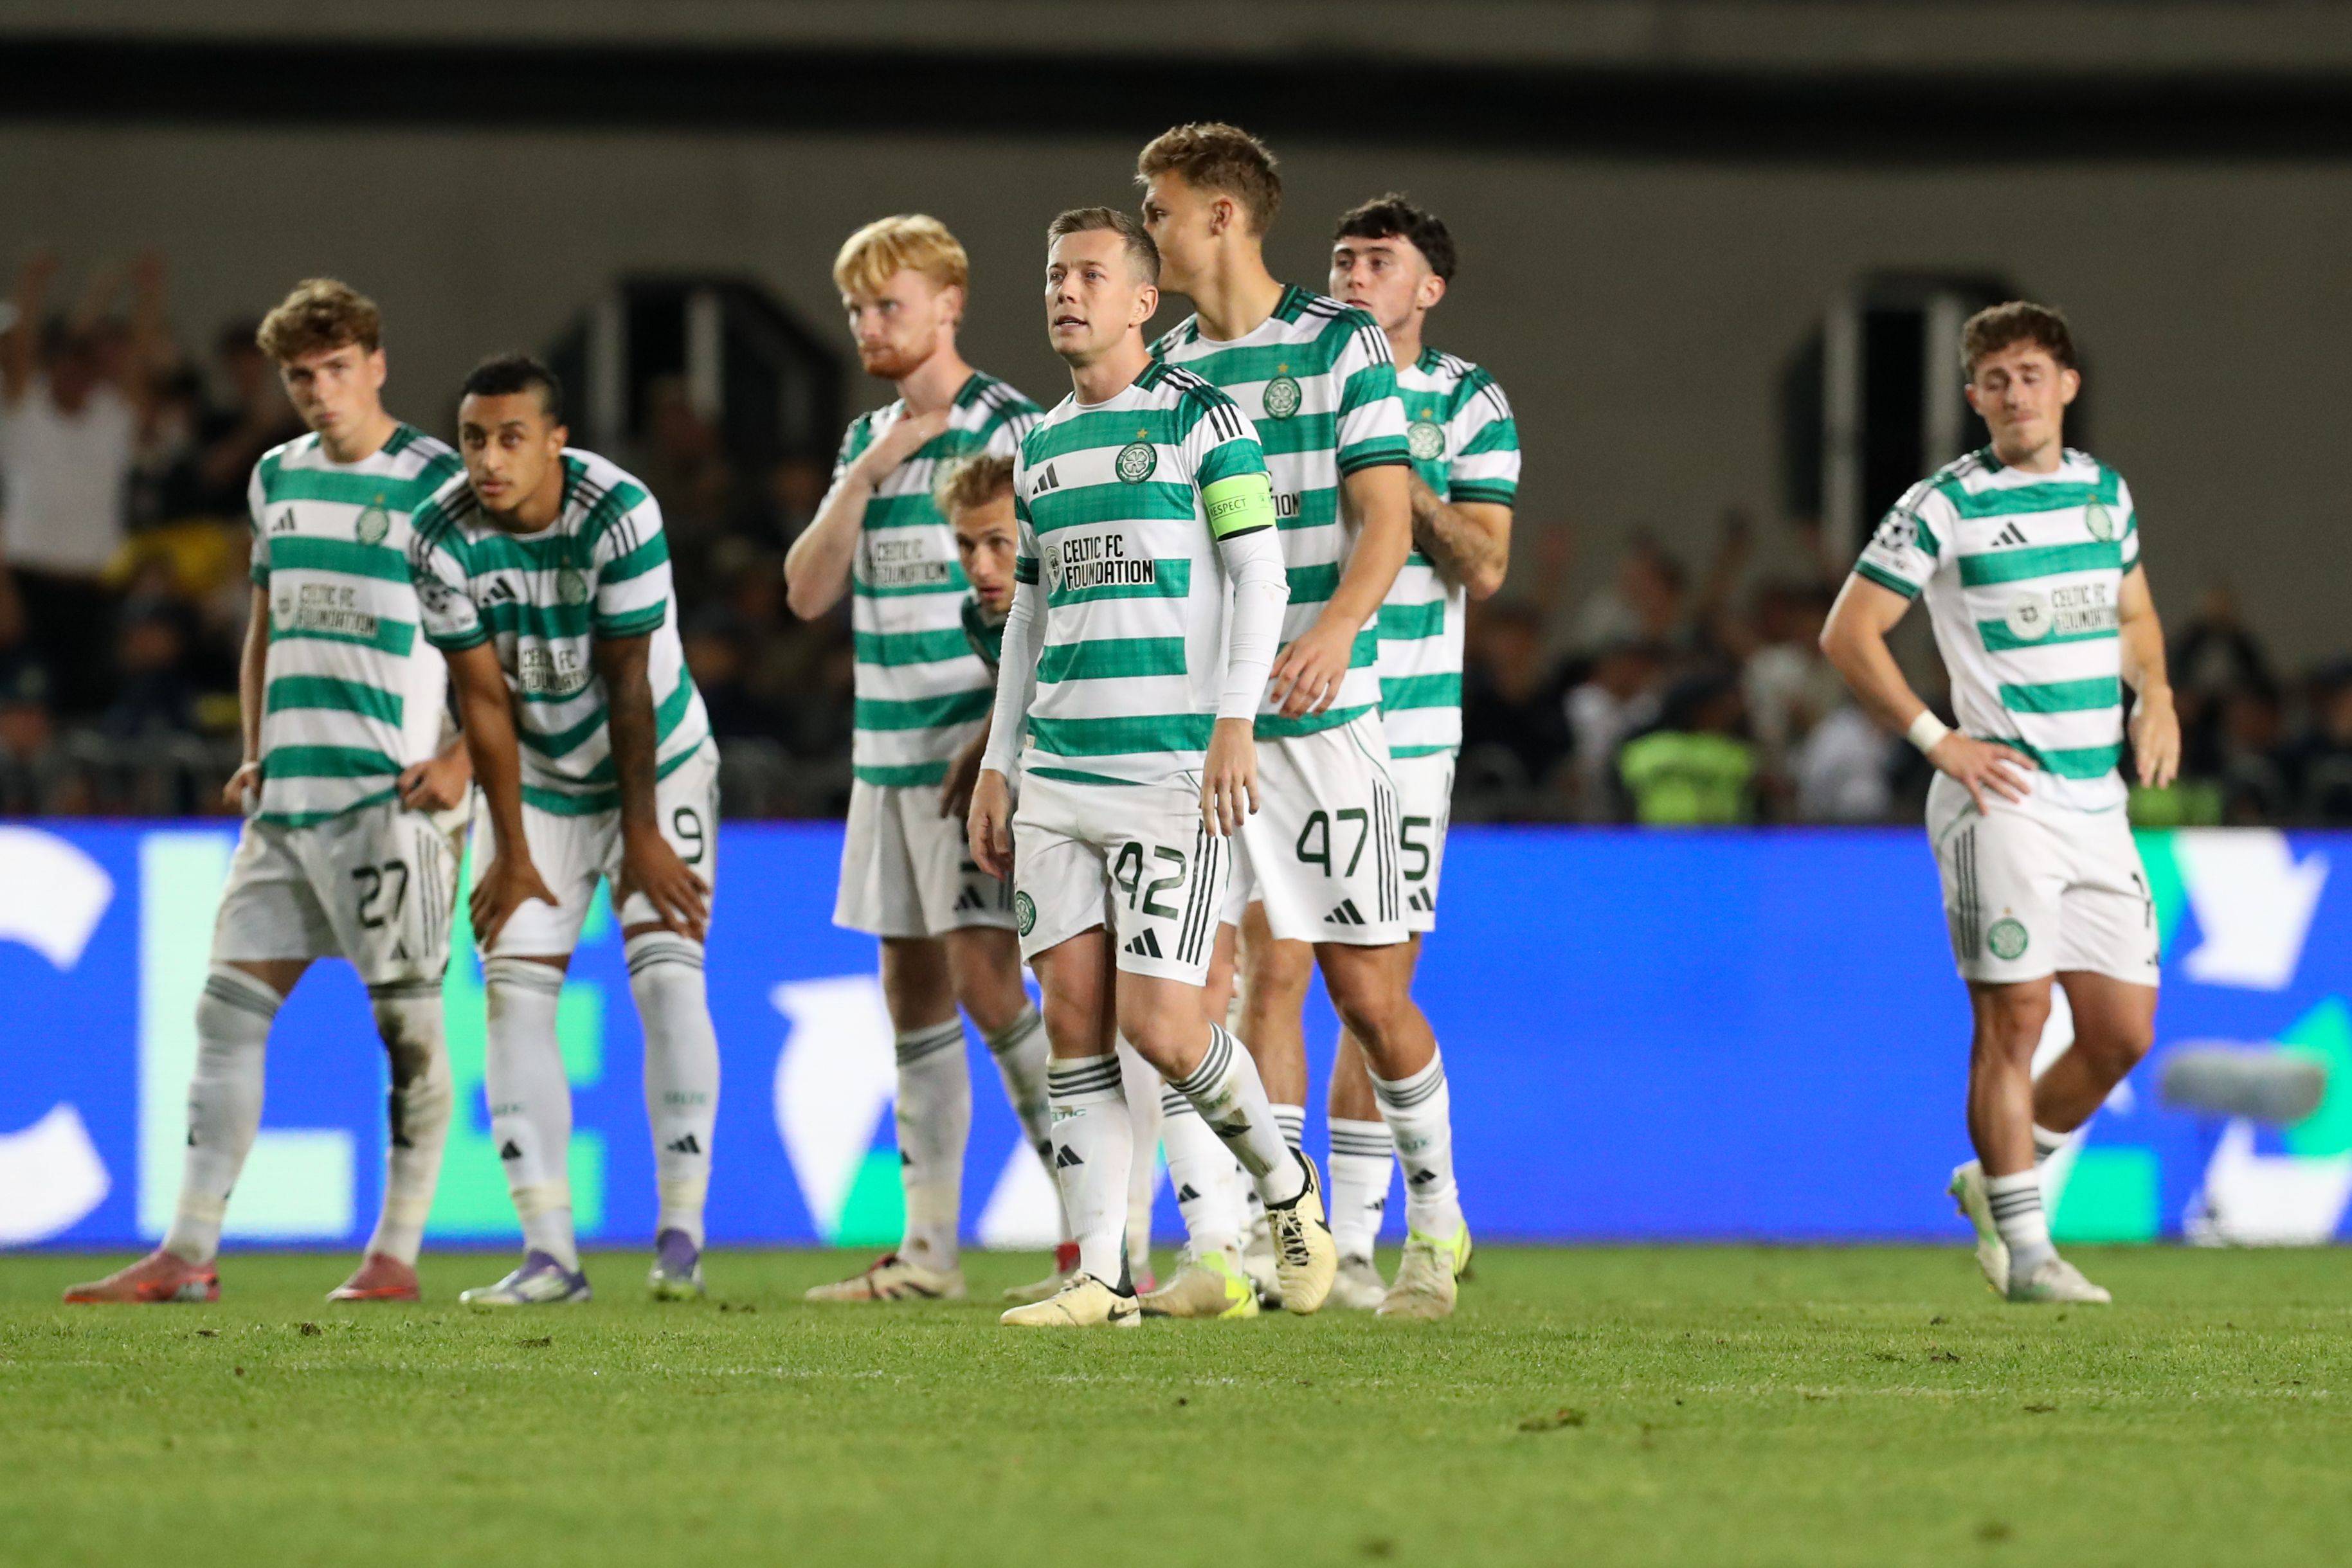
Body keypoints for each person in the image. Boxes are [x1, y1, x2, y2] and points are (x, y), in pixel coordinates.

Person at [64, 278, 471, 1306]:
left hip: (394, 799)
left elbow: (494, 634)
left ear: (376, 364)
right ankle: (189, 1251)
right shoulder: (276, 478)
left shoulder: (439, 481)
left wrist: (464, 756)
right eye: (301, 376)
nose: (320, 392)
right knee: (226, 1014)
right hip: (288, 798)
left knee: (408, 1026)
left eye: (338, 369)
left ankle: (394, 1253)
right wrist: (254, 747)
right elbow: (265, 626)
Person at [968, 206, 1332, 1326]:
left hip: (1171, 770)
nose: (1063, 291)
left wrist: (1236, 722)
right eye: (1051, 273)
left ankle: (1285, 1188)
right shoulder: (1035, 442)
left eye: (1087, 273)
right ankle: (1099, 1273)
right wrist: (998, 758)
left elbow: (1260, 578)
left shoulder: (1202, 420)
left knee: (1165, 1027)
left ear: (1142, 299)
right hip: (1058, 775)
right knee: (1070, 1014)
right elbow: (1028, 615)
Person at [1139, 124, 1470, 1320]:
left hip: (1331, 721)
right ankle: (1241, 1244)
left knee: (1366, 993)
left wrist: (1333, 627)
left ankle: (1434, 1223)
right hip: (1207, 729)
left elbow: (1384, 516)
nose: (1147, 228)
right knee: (1214, 983)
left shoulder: (1339, 345)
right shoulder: (1165, 372)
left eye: (1159, 206)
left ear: (1223, 215)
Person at [1819, 302, 2177, 1305]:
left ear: (2065, 386)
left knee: (2119, 1033)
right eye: (1995, 380)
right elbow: (1850, 632)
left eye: (2031, 374)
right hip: (2001, 795)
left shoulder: (2104, 495)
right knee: (2014, 1016)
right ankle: (2026, 1249)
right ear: (1973, 398)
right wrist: (1940, 741)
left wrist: (2155, 697)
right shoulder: (1943, 504)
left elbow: (2134, 612)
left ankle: (1994, 1180)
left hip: (2093, 799)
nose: (2014, 394)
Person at [408, 355, 722, 1306]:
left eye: (511, 438)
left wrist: (643, 835)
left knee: (666, 975)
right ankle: (551, 1253)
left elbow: (627, 684)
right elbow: (482, 701)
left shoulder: (619, 507)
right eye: (472, 438)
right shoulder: (438, 534)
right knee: (511, 995)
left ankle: (680, 1232)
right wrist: (502, 841)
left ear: (557, 439)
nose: (488, 459)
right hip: (535, 776)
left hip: (656, 757)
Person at [784, 217, 1051, 1303]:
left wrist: (1001, 737)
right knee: (910, 993)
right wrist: (870, 471)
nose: (867, 324)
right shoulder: (866, 441)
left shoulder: (1017, 428)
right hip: (882, 758)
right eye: (856, 308)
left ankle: (1093, 1221)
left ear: (950, 304)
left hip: (966, 749)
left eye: (887, 304)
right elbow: (804, 592)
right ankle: (930, 1252)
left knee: (989, 981)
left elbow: (1055, 593)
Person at [1319, 194, 1517, 1307]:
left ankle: (1379, 1236)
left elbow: (1483, 566)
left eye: (1376, 261)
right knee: (1257, 973)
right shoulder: (1289, 378)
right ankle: (1284, 1241)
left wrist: (1402, 482)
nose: (1351, 274)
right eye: (1341, 257)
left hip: (1404, 722)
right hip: (1287, 717)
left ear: (1425, 288)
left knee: (1369, 982)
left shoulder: (1466, 399)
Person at [939, 453, 1164, 1303]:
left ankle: (1218, 1233)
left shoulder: (1085, 582)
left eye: (999, 543)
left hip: (1150, 799)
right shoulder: (980, 614)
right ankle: (1104, 1247)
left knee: (1163, 1026)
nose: (983, 568)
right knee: (1089, 1024)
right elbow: (1028, 690)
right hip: (1061, 816)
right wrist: (988, 755)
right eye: (966, 547)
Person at [0, 250, 167, 712]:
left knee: (86, 703)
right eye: (66, 366)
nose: (75, 377)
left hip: (93, 586)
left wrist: (149, 295)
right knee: (23, 704)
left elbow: (140, 364)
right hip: (30, 581)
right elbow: (20, 350)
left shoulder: (112, 420)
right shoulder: (24, 412)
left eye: (84, 368)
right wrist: (31, 285)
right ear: (52, 368)